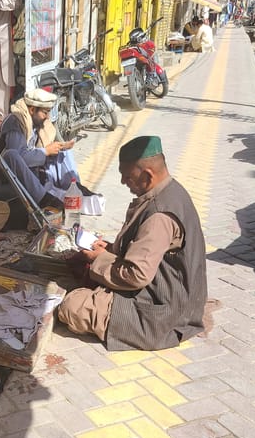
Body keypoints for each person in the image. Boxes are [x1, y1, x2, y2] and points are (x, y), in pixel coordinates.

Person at [57, 136, 207, 351]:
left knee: (72, 306)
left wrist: (99, 259)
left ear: (147, 175)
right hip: (174, 296)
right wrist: (108, 249)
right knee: (81, 271)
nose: (123, 182)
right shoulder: (172, 190)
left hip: (163, 315)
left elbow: (136, 275)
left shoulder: (159, 215)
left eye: (127, 177)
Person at [0, 88, 99, 211]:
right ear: (32, 110)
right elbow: (17, 160)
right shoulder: (16, 121)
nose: (47, 117)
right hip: (4, 176)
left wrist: (57, 148)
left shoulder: (35, 122)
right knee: (12, 154)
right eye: (45, 113)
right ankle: (44, 199)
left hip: (29, 171)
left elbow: (36, 150)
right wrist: (45, 151)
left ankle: (75, 187)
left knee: (63, 152)